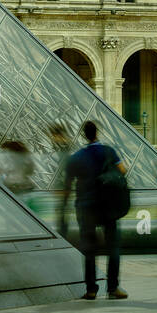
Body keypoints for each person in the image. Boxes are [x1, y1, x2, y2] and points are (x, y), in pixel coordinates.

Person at [60, 121, 129, 300]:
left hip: (86, 207)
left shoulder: (76, 157)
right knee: (113, 247)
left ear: (83, 135)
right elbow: (123, 170)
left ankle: (91, 289)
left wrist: (63, 211)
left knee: (89, 250)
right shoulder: (109, 151)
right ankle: (113, 288)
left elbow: (67, 187)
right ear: (97, 133)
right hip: (108, 206)